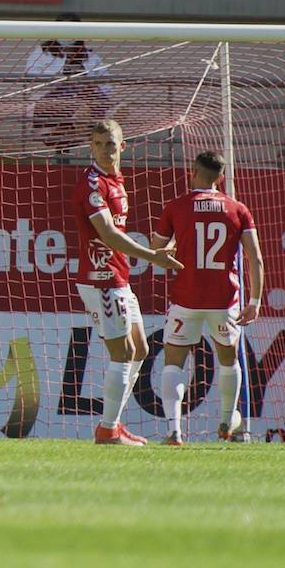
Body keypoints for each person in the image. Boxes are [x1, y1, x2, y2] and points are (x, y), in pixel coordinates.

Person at [72, 119, 182, 446]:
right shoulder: (92, 185)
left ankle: (114, 424)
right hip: (101, 277)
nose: (106, 150)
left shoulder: (116, 180)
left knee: (141, 348)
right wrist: (153, 256)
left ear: (123, 146)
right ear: (90, 148)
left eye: (111, 144)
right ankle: (107, 430)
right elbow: (106, 234)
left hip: (118, 275)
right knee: (123, 351)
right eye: (99, 144)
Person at [149, 151, 265, 445]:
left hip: (185, 298)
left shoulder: (176, 207)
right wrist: (254, 302)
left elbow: (156, 252)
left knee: (173, 362)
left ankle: (174, 431)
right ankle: (227, 421)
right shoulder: (237, 209)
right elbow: (255, 258)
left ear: (193, 171)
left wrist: (177, 243)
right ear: (221, 178)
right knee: (228, 360)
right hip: (224, 301)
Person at [23, 13, 114, 152]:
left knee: (89, 92)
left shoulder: (90, 56)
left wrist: (84, 78)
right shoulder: (42, 53)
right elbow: (30, 80)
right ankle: (94, 121)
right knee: (74, 93)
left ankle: (86, 121)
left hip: (84, 101)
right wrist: (62, 75)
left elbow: (107, 85)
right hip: (49, 104)